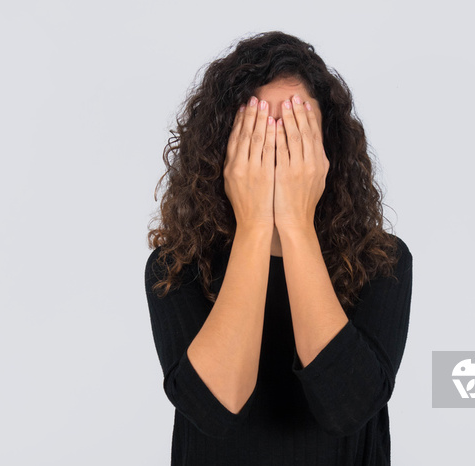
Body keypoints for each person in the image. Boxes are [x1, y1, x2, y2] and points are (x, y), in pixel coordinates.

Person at [144, 30, 413, 466]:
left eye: (294, 128)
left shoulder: (382, 262)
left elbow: (348, 407)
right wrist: (253, 225)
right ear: (224, 145)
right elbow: (214, 409)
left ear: (325, 146)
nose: (275, 147)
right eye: (257, 128)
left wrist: (293, 222)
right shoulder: (177, 268)